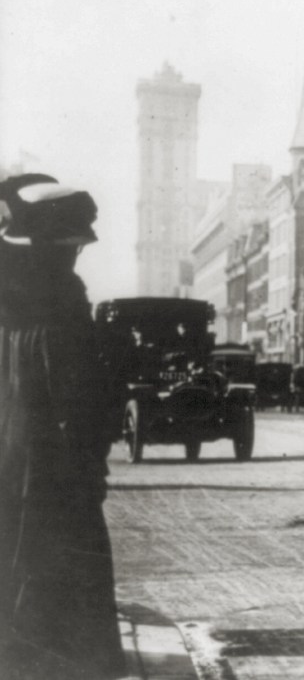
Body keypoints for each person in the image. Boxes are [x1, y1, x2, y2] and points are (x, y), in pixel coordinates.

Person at [0, 177, 126, 680]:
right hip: (57, 468)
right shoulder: (62, 309)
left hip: (16, 458)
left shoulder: (15, 302)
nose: (76, 256)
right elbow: (82, 400)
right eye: (72, 247)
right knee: (61, 564)